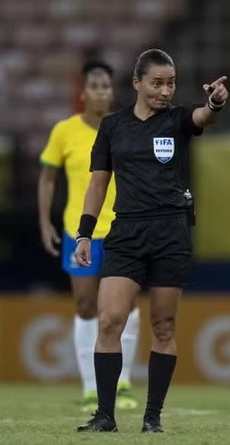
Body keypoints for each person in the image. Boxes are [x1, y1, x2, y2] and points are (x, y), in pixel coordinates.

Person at [73, 49, 229, 433]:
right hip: (126, 233)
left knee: (163, 326)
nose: (165, 91)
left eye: (171, 83)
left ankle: (152, 418)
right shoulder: (113, 126)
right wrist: (84, 232)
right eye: (157, 83)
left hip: (170, 232)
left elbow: (202, 116)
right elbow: (98, 182)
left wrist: (214, 102)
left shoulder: (178, 119)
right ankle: (105, 417)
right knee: (109, 319)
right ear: (137, 83)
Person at [38, 59, 140, 412]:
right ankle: (90, 388)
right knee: (85, 307)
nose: (101, 91)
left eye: (106, 86)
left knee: (125, 305)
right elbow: (48, 177)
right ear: (82, 94)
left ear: (113, 93)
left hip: (122, 230)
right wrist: (44, 221)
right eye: (95, 86)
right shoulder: (64, 131)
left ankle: (123, 383)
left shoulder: (126, 127)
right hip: (77, 232)